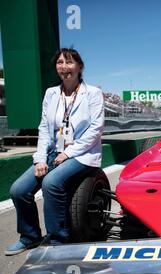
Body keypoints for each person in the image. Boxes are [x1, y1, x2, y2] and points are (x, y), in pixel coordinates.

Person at [5, 48, 105, 255]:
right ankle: (29, 237)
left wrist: (69, 153)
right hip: (53, 152)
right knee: (19, 190)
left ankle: (58, 240)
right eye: (60, 63)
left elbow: (96, 129)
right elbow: (44, 128)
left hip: (82, 154)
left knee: (51, 183)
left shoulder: (93, 93)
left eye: (69, 62)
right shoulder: (51, 93)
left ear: (80, 67)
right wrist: (40, 158)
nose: (64, 67)